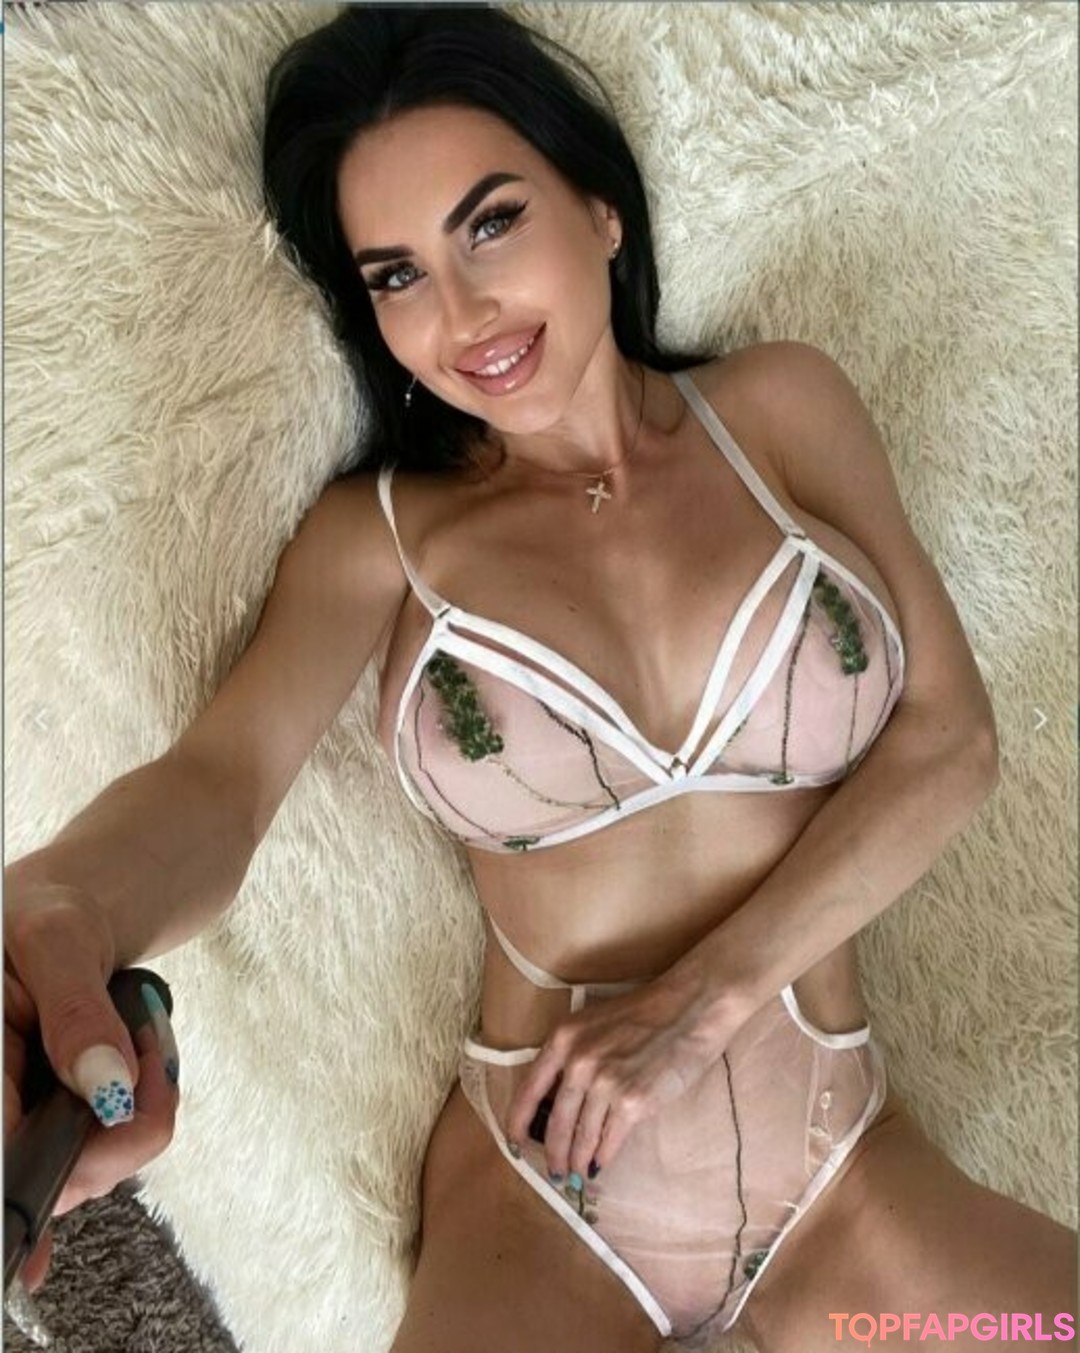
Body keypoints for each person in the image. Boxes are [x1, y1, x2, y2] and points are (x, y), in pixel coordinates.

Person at [4, 7, 1076, 1350]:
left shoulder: (784, 411)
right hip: (552, 1202)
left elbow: (951, 742)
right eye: (396, 275)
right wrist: (68, 899)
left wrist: (701, 1003)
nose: (460, 315)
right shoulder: (383, 539)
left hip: (840, 1180)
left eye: (492, 224)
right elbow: (221, 783)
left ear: (602, 211)